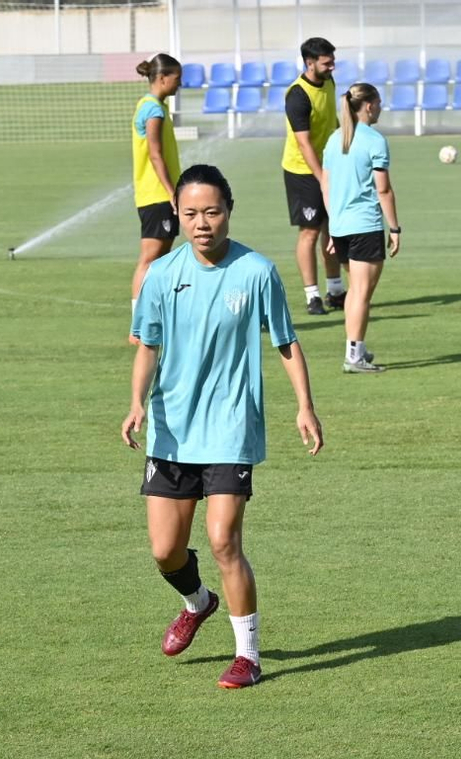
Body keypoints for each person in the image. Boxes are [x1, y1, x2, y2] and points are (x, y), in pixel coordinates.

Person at [123, 164, 324, 689]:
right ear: (177, 215)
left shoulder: (256, 271)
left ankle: (247, 656)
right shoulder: (162, 275)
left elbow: (285, 342)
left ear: (228, 212)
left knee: (222, 541)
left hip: (232, 428)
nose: (202, 222)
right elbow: (147, 344)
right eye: (190, 213)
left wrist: (305, 405)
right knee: (166, 551)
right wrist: (136, 402)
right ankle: (198, 602)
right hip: (172, 429)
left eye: (212, 211)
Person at [321, 82, 399, 373]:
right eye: (378, 102)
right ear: (369, 105)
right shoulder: (374, 140)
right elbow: (384, 190)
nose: (380, 107)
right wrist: (395, 228)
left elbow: (325, 184)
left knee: (356, 291)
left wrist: (334, 223)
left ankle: (358, 349)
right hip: (365, 226)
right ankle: (353, 356)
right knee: (362, 293)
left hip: (340, 228)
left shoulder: (333, 139)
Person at [281, 37, 346, 316]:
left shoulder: (329, 83)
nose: (332, 67)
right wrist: (321, 178)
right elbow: (304, 143)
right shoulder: (297, 95)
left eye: (333, 61)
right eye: (327, 62)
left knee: (332, 229)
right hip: (302, 172)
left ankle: (335, 290)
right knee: (309, 231)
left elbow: (333, 122)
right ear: (310, 63)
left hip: (328, 167)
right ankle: (312, 296)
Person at [129, 53, 184, 343]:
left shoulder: (151, 105)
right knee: (150, 259)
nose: (180, 85)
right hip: (157, 196)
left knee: (158, 260)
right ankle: (138, 328)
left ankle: (151, 320)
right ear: (163, 78)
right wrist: (172, 192)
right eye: (177, 79)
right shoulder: (154, 111)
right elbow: (155, 153)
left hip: (156, 195)